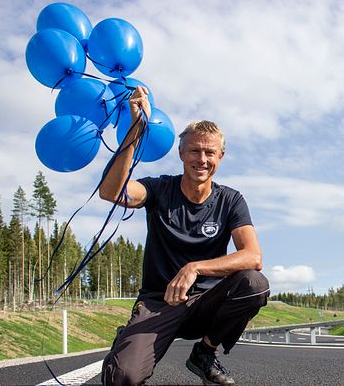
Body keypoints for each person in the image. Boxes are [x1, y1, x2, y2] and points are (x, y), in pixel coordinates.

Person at [99, 86, 270, 385]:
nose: (201, 159)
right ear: (181, 152)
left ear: (221, 156)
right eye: (194, 150)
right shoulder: (158, 189)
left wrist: (195, 268)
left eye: (209, 152)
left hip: (206, 303)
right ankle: (128, 340)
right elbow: (112, 192)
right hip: (159, 302)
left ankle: (204, 353)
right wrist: (135, 131)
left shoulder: (231, 200)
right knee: (122, 377)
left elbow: (253, 257)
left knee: (254, 284)